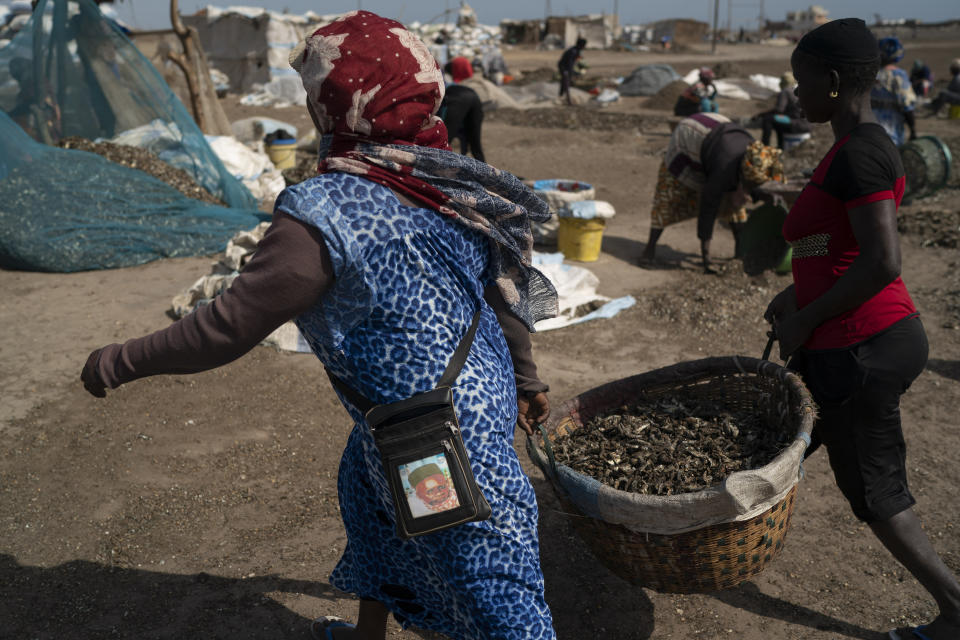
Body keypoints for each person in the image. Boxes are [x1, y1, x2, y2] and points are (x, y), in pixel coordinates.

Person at [80, 11, 559, 640]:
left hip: (437, 444)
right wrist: (524, 379)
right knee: (373, 510)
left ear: (333, 104)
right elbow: (500, 297)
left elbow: (227, 327)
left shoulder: (324, 212)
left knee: (495, 589)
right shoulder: (445, 179)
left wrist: (118, 360)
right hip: (448, 403)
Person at [763, 18, 960, 640]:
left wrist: (807, 316)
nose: (796, 95)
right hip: (842, 340)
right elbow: (838, 246)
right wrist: (798, 290)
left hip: (862, 347)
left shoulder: (864, 151)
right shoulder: (852, 145)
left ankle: (956, 609)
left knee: (875, 490)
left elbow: (883, 260)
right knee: (773, 442)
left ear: (835, 79)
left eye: (802, 82)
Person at [640, 112, 784, 273]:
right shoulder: (724, 168)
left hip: (717, 134)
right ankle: (648, 251)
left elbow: (756, 184)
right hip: (687, 139)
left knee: (735, 206)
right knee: (670, 198)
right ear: (743, 173)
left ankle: (740, 255)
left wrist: (768, 196)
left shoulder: (757, 157)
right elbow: (707, 210)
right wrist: (706, 260)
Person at [870, 36, 917, 145]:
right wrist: (913, 130)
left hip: (869, 128)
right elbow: (907, 105)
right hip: (891, 131)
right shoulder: (899, 76)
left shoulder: (870, 74)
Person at [441, 60, 485, 162]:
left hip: (457, 97)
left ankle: (437, 172)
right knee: (476, 145)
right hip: (474, 96)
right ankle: (485, 175)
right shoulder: (447, 79)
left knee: (444, 141)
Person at [759, 71, 812, 150]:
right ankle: (780, 146)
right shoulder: (797, 89)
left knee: (768, 119)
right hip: (807, 125)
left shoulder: (785, 91)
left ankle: (764, 147)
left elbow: (779, 110)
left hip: (797, 123)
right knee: (778, 122)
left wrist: (762, 114)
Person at [557, 37, 586, 106]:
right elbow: (569, 62)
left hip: (566, 67)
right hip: (564, 67)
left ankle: (562, 96)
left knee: (565, 82)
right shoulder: (573, 51)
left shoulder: (576, 50)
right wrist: (569, 71)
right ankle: (567, 99)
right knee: (566, 82)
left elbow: (574, 61)